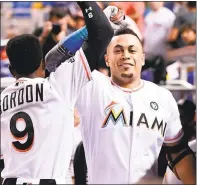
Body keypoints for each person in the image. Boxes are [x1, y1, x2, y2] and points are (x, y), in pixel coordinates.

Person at [46, 27, 196, 184]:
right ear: (106, 59)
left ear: (143, 58)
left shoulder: (163, 97)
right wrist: (92, 28)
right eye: (118, 51)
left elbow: (178, 152)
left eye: (132, 50)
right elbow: (53, 62)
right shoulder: (92, 86)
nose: (126, 55)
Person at [0, 2, 115, 185]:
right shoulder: (57, 87)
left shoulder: (3, 99)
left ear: (12, 70)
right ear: (42, 65)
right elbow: (103, 30)